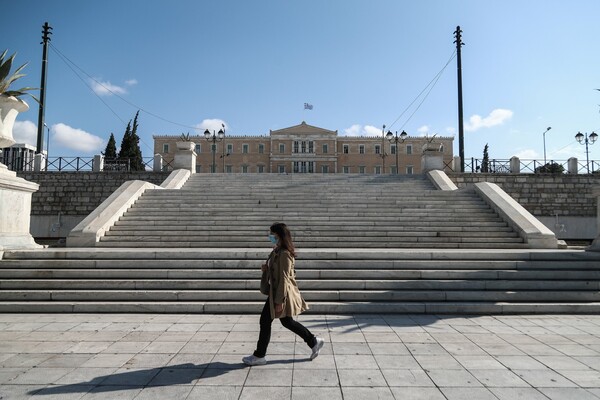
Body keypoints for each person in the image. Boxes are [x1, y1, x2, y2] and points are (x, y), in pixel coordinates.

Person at [242, 222, 324, 366]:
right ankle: (313, 341)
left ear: (279, 235)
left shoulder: (285, 254)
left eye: (272, 234)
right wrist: (266, 269)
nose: (270, 237)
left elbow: (285, 279)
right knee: (287, 322)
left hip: (281, 295)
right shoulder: (277, 251)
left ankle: (259, 355)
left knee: (266, 321)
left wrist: (279, 301)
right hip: (276, 293)